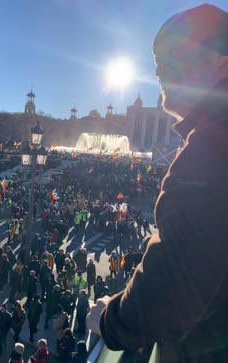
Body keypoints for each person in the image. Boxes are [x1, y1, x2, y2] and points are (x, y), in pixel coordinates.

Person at [87, 4, 228, 361]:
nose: (162, 71)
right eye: (159, 62)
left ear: (221, 62)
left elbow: (177, 283)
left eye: (178, 56)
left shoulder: (213, 144)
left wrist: (108, 320)